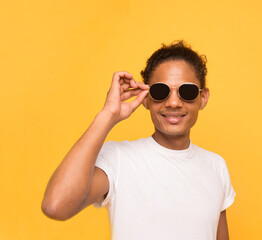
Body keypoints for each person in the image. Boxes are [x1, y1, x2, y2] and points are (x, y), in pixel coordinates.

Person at [41, 40, 236, 240]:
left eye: (187, 91)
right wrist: (108, 115)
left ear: (203, 98)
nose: (174, 103)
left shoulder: (216, 166)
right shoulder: (118, 159)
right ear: (146, 98)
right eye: (161, 91)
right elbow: (55, 206)